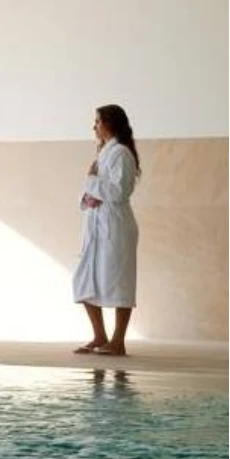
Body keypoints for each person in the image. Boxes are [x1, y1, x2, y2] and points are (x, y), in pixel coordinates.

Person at [72, 104, 141, 356]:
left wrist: (91, 180)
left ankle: (118, 341)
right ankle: (100, 336)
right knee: (84, 279)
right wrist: (88, 195)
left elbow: (118, 191)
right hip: (96, 227)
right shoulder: (103, 153)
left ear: (110, 124)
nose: (94, 126)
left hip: (116, 229)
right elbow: (93, 192)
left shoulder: (120, 153)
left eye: (97, 121)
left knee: (119, 282)